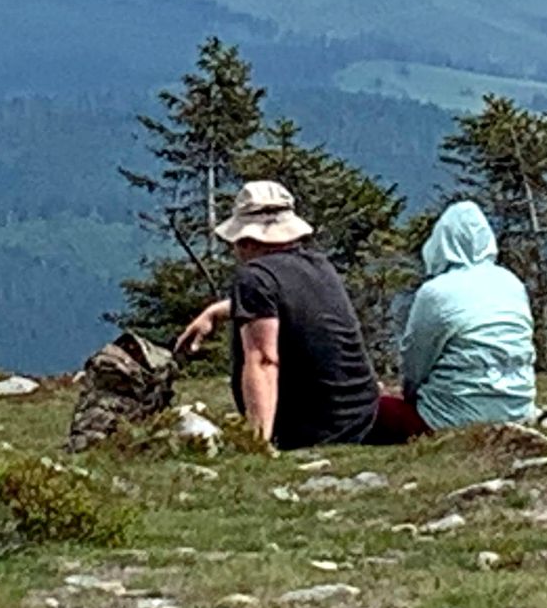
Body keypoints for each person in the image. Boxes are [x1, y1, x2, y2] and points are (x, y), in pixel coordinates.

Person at [175, 180, 425, 448]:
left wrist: (257, 442)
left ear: (246, 240)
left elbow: (263, 361)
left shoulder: (254, 278)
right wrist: (216, 312)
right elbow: (288, 305)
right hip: (362, 416)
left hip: (316, 431)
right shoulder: (319, 266)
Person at [400, 200, 537, 430]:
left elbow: (416, 358)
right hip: (517, 411)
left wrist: (410, 394)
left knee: (375, 411)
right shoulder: (511, 282)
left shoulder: (436, 292)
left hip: (452, 417)